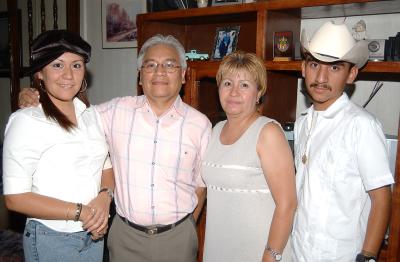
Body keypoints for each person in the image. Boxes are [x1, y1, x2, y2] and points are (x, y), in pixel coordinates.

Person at [18, 34, 212, 262]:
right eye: (150, 65)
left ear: (183, 75)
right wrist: (34, 96)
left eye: (170, 65)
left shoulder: (200, 125)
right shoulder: (116, 111)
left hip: (177, 239)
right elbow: (71, 111)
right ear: (140, 76)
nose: (159, 71)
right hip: (124, 238)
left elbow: (201, 185)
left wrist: (186, 227)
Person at [3, 30, 114, 262]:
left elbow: (105, 165)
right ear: (40, 73)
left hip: (93, 234)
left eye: (76, 65)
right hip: (51, 237)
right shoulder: (27, 120)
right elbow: (15, 198)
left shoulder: (90, 115)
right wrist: (81, 212)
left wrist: (105, 197)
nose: (68, 75)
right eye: (57, 65)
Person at [292, 21, 394, 262]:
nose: (321, 77)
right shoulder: (302, 123)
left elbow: (381, 198)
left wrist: (367, 256)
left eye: (335, 68)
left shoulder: (362, 126)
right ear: (304, 68)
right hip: (297, 252)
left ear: (351, 74)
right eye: (315, 64)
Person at [202, 51, 297, 262]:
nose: (234, 92)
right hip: (219, 247)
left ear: (259, 92)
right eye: (227, 83)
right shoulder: (215, 130)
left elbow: (288, 203)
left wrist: (271, 255)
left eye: (244, 85)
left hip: (258, 252)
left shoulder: (268, 133)